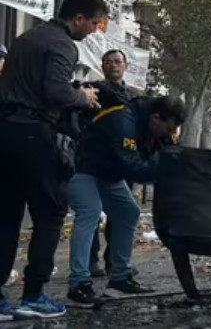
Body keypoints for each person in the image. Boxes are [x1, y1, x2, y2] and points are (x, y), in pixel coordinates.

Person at [0, 0, 105, 320]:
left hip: (6, 132)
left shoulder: (25, 38)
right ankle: (33, 295)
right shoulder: (62, 44)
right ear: (77, 18)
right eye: (93, 24)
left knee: (6, 216)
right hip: (37, 136)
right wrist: (84, 97)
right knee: (50, 213)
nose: (93, 31)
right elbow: (56, 91)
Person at [66, 93, 184, 305]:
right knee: (90, 212)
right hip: (83, 167)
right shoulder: (123, 121)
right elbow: (134, 167)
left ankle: (121, 277)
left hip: (109, 174)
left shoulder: (158, 128)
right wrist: (164, 174)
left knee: (128, 212)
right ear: (156, 118)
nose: (170, 133)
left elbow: (171, 153)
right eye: (168, 128)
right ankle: (79, 283)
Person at [86, 50, 140, 278]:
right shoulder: (94, 91)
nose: (113, 66)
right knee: (91, 213)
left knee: (120, 213)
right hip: (95, 161)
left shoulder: (133, 96)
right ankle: (90, 262)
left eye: (118, 62)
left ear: (125, 66)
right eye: (108, 62)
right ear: (102, 66)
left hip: (123, 162)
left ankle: (114, 261)